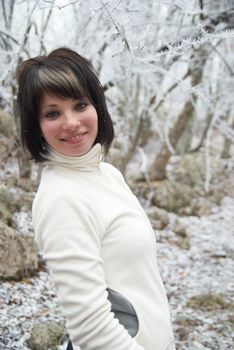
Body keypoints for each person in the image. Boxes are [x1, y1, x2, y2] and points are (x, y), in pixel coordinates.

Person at [17, 47, 175, 350]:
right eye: (52, 113)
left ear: (97, 107)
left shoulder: (107, 174)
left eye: (79, 105)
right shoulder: (62, 198)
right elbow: (91, 329)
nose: (71, 122)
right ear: (36, 126)